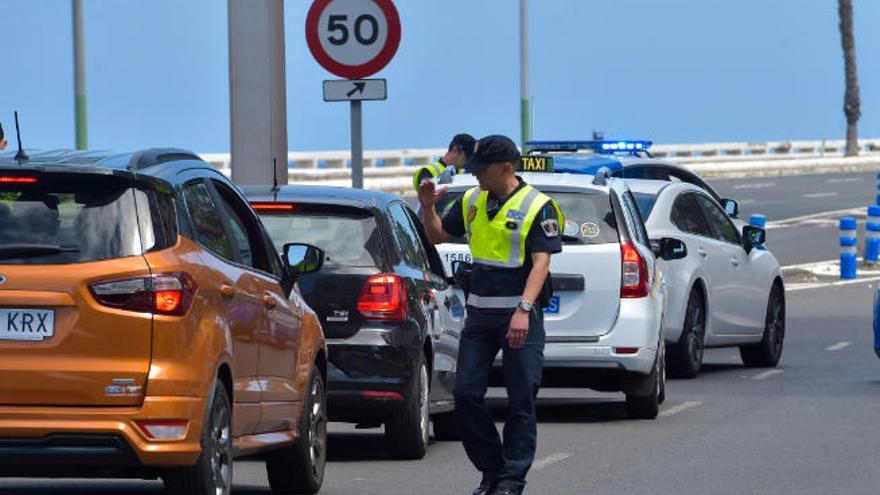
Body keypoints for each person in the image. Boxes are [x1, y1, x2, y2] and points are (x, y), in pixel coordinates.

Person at [418, 135, 563, 495]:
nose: (476, 176)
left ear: (507, 169)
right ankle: (492, 468)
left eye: (482, 171)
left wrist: (523, 311)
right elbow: (435, 236)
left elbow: (541, 262)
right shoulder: (471, 200)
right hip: (480, 318)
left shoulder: (538, 205)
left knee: (521, 397)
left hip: (519, 316)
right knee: (465, 394)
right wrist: (426, 207)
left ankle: (510, 481)